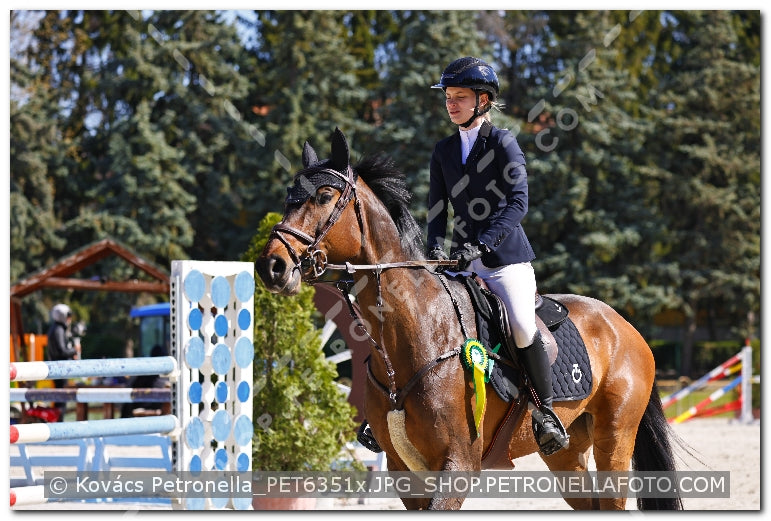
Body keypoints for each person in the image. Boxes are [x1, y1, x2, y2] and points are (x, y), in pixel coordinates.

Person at [426, 57, 568, 455]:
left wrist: (483, 244)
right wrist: (435, 246)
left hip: (505, 259)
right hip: (459, 263)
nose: (451, 104)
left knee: (521, 325)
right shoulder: (443, 150)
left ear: (483, 100)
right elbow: (437, 208)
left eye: (460, 97)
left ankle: (546, 412)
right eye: (448, 97)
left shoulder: (503, 142)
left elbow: (518, 203)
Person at [46, 303, 81, 421]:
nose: (69, 318)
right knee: (61, 399)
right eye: (68, 315)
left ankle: (58, 422)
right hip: (60, 369)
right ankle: (59, 423)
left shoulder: (56, 328)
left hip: (58, 368)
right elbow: (61, 351)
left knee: (60, 398)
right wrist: (74, 350)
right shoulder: (59, 330)